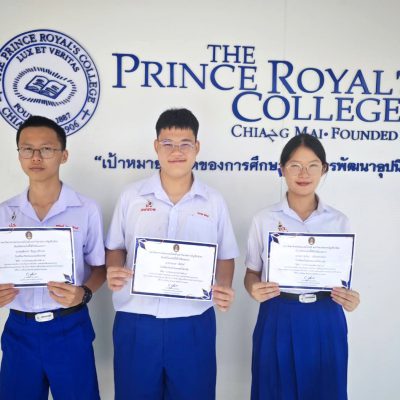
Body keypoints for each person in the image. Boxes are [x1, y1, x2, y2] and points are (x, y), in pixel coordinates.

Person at [106, 108, 239, 400]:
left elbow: (225, 254)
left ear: (197, 147)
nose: (176, 151)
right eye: (167, 143)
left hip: (193, 321)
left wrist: (224, 286)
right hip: (136, 320)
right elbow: (115, 247)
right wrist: (113, 270)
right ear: (156, 146)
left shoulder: (213, 201)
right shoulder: (132, 196)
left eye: (185, 144)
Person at [244, 134, 360, 400]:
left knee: (325, 391)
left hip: (325, 316)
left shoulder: (339, 221)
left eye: (312, 165)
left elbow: (343, 280)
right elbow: (251, 273)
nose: (304, 173)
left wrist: (350, 298)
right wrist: (253, 289)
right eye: (295, 165)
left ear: (324, 169)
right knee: (273, 391)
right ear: (282, 169)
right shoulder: (264, 219)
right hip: (277, 314)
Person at [0, 116, 106, 400]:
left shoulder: (86, 209)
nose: (36, 157)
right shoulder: (4, 212)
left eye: (46, 149)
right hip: (19, 329)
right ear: (19, 155)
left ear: (64, 155)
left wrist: (83, 293)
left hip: (69, 327)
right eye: (27, 149)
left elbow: (100, 268)